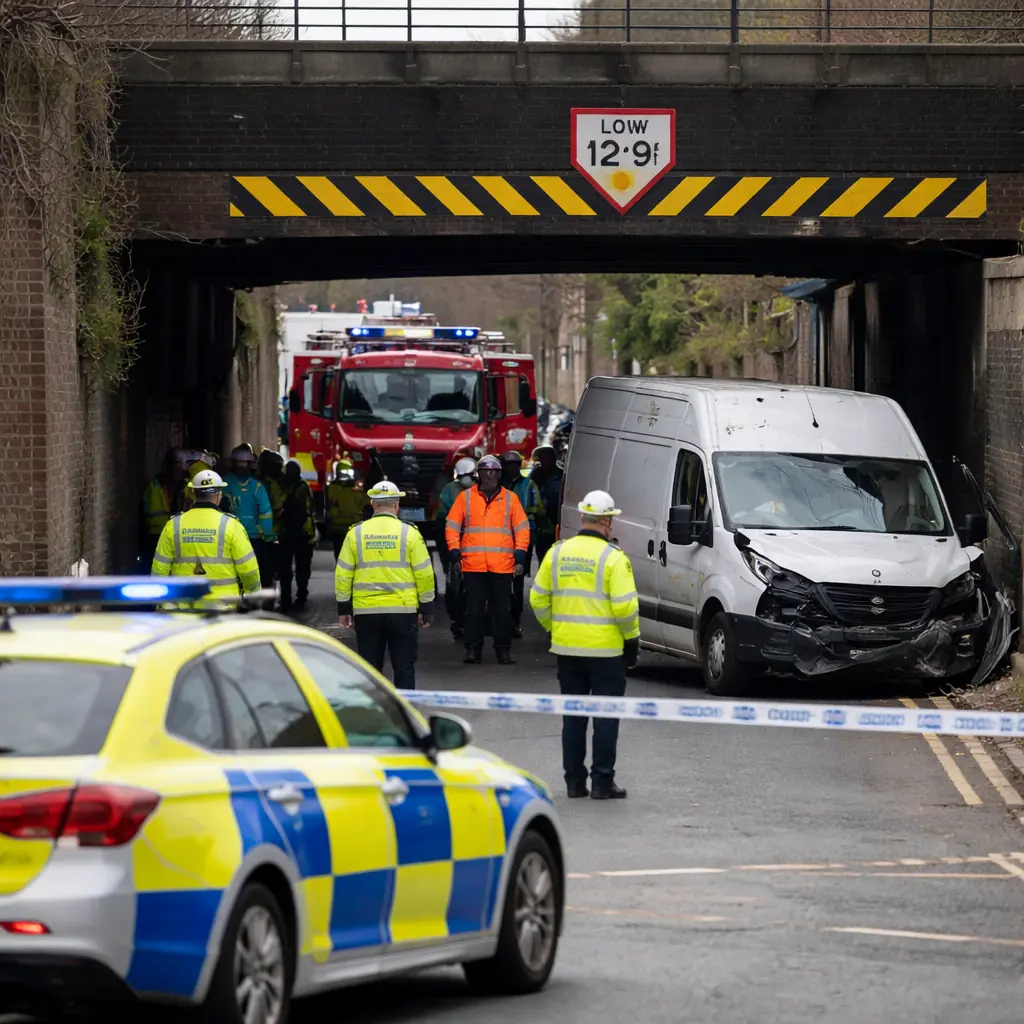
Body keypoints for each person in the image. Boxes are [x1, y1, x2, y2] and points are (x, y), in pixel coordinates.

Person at [529, 489, 640, 801]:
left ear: (582, 517)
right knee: (605, 718)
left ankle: (574, 783)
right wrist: (631, 641)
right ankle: (602, 782)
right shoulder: (613, 558)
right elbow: (625, 608)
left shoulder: (557, 553)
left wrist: (555, 628)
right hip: (606, 652)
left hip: (567, 650)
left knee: (573, 718)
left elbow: (537, 599)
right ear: (606, 521)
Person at [335, 480, 435, 690]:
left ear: (372, 504)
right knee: (404, 667)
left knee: (370, 669)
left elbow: (343, 573)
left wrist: (344, 608)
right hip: (403, 611)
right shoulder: (410, 533)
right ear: (396, 505)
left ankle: (375, 708)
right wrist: (426, 607)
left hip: (366, 612)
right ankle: (404, 707)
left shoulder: (355, 533)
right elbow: (424, 573)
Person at [445, 453, 530, 665]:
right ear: (479, 474)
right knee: (473, 611)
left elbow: (522, 529)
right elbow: (452, 526)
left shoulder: (511, 499)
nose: (489, 476)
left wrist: (520, 554)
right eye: (485, 472)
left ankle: (503, 650)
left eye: (493, 472)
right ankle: (473, 650)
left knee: (502, 612)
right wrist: (454, 550)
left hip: (502, 565)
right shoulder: (465, 498)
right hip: (473, 565)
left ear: (499, 474)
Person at [151, 469, 261, 602]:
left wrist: (160, 602)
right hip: (222, 606)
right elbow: (248, 569)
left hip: (181, 606)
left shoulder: (173, 524)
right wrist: (254, 597)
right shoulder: (232, 526)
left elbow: (159, 569)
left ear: (193, 493)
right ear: (219, 495)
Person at [500, 451, 548, 639]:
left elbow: (539, 510)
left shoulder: (528, 485)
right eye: (509, 464)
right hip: (500, 538)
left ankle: (514, 621)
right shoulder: (496, 485)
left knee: (517, 579)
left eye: (515, 464)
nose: (512, 468)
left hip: (522, 537)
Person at [435, 456, 476, 639]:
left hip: (478, 547)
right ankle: (458, 620)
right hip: (457, 547)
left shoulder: (484, 490)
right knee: (455, 584)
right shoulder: (450, 490)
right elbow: (442, 521)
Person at [224, 444, 276, 588]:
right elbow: (266, 513)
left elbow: (266, 513)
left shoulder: (223, 483)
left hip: (236, 537)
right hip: (250, 538)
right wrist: (267, 537)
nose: (243, 467)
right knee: (252, 572)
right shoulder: (256, 486)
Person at [278, 459, 316, 612]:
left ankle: (294, 597)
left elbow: (301, 511)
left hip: (298, 533)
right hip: (297, 533)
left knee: (296, 569)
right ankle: (292, 598)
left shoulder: (299, 487)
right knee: (293, 569)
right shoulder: (299, 486)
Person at [139, 448, 186, 565]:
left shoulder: (186, 487)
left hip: (179, 537)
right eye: (176, 463)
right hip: (155, 536)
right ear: (168, 465)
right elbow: (144, 514)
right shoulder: (154, 485)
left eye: (182, 464)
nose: (180, 468)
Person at [326, 459, 367, 559]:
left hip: (344, 528)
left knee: (345, 557)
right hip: (345, 529)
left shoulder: (332, 488)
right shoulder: (334, 488)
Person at [530, 444, 563, 566]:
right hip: (541, 525)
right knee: (543, 557)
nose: (541, 463)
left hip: (555, 523)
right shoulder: (537, 475)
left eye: (542, 459)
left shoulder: (560, 476)